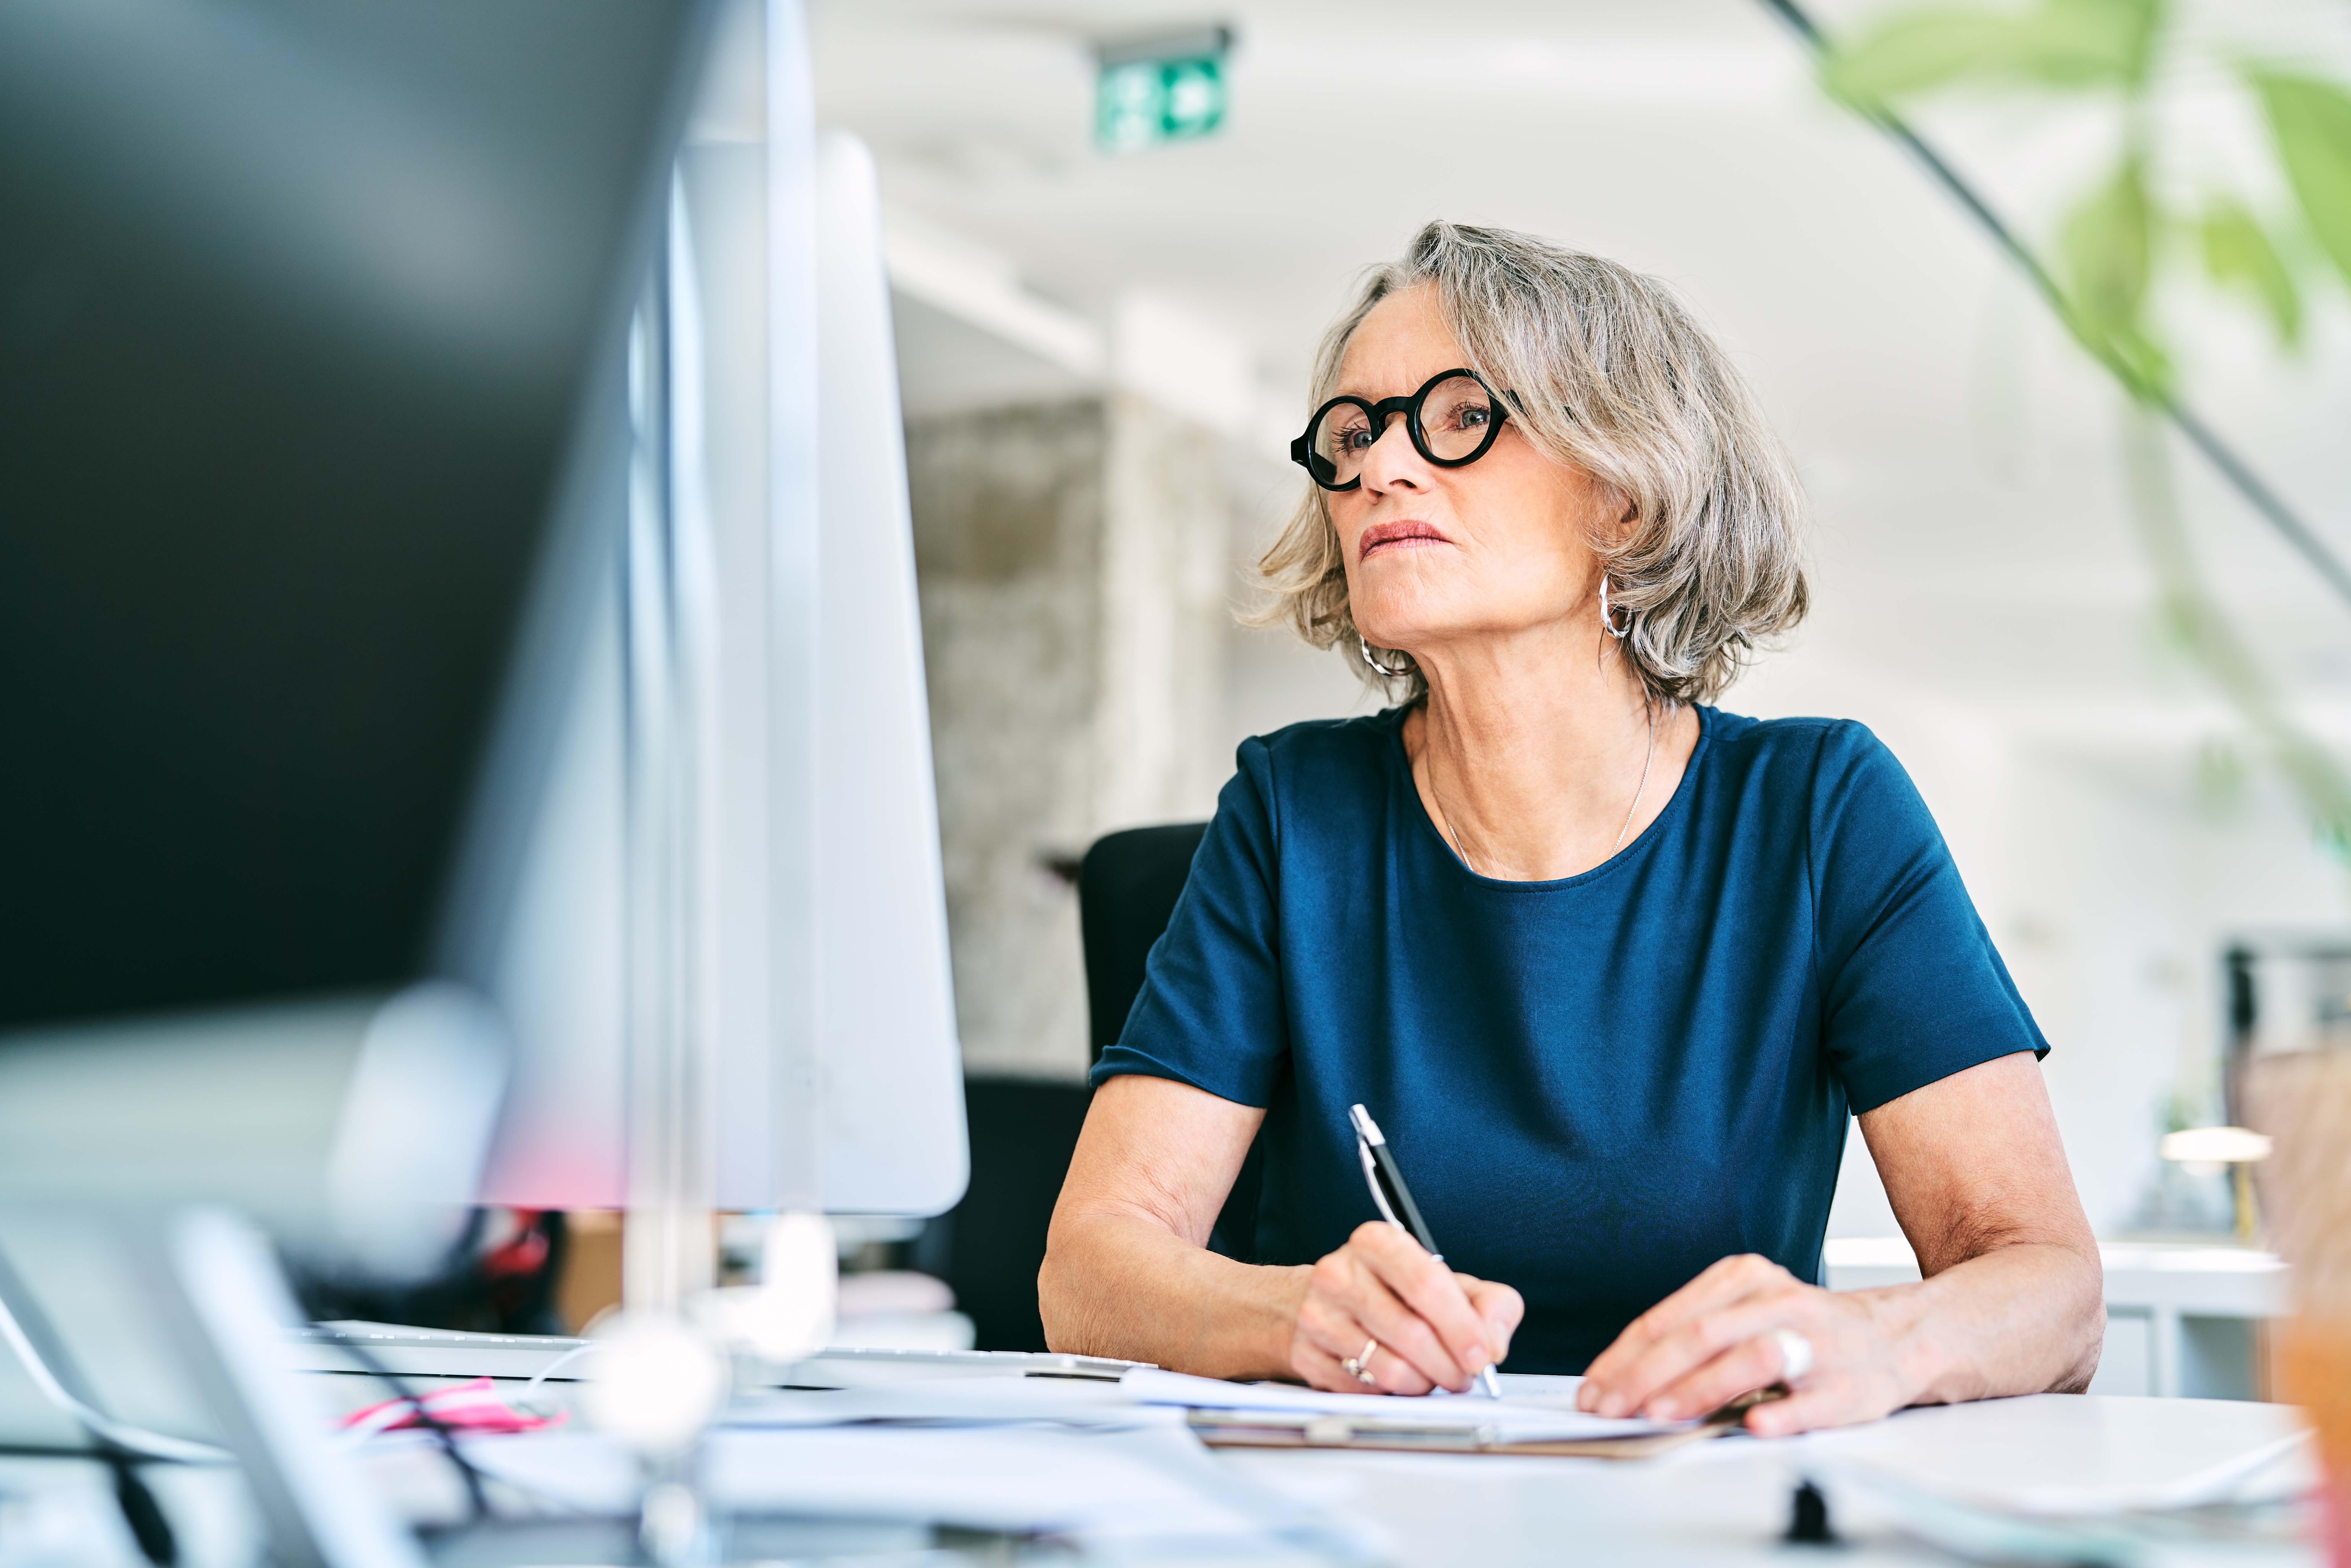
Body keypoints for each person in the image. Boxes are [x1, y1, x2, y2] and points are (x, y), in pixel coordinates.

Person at [1038, 221, 2103, 1435]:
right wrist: (1289, 1317)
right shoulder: (1291, 814)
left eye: (1455, 417)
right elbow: (1086, 1270)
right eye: (1350, 433)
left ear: (1623, 485)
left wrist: (1872, 1341)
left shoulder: (1820, 811)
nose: (1382, 469)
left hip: (1700, 1506)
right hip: (1351, 1496)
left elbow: (2049, 1287)